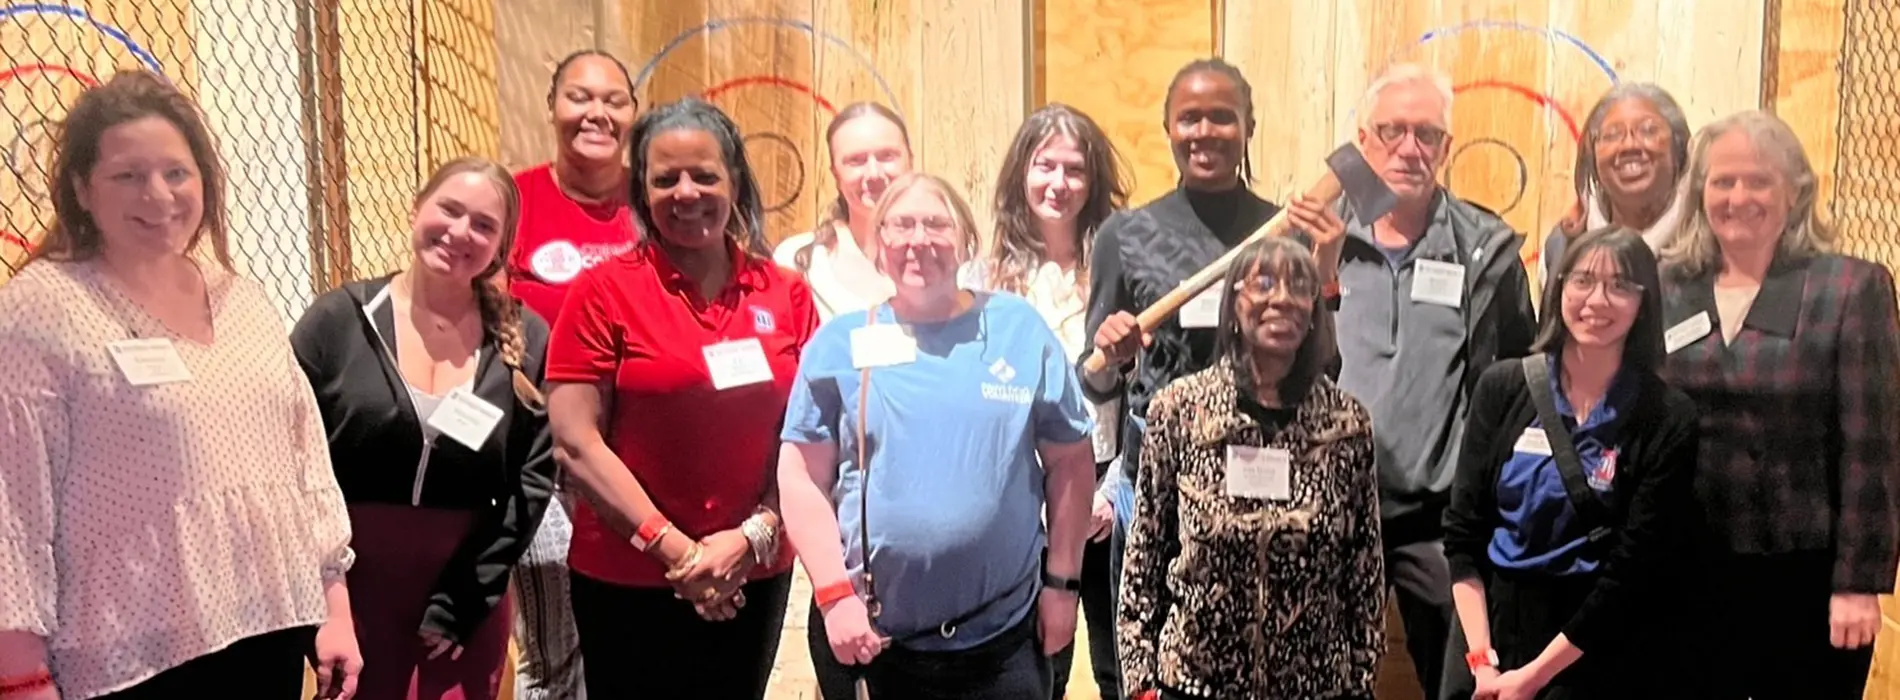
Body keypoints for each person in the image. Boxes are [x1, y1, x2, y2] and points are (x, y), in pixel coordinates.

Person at [0, 70, 359, 699]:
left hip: (266, 630)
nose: (158, 195)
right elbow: (12, 505)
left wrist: (335, 607)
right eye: (127, 176)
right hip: (130, 655)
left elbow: (305, 463)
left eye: (175, 172)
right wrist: (19, 675)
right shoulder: (43, 308)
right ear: (82, 188)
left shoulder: (240, 297)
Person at [778, 173, 1096, 699]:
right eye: (901, 224)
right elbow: (801, 476)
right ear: (879, 245)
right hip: (876, 645)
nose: (917, 239)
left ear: (967, 240)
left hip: (1004, 643)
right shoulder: (840, 344)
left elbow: (1072, 462)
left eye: (936, 223)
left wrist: (1063, 587)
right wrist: (835, 597)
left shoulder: (1018, 330)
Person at [543, 97, 813, 699]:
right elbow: (575, 442)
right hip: (630, 579)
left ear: (735, 182)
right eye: (665, 179)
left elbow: (810, 436)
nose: (685, 193)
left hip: (753, 573)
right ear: (641, 190)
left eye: (704, 175)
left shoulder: (786, 293)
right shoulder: (602, 292)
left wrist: (754, 536)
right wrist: (680, 554)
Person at [1294, 62, 1538, 700]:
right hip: (1330, 511)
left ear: (1447, 148)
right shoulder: (1313, 237)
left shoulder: (1483, 248)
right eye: (1392, 130)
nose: (1409, 148)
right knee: (1319, 680)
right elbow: (1280, 367)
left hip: (1439, 518)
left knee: (1459, 682)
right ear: (1362, 141)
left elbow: (1519, 380)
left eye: (1427, 134)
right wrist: (1319, 272)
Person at [291, 157, 558, 700]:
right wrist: (322, 594)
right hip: (350, 586)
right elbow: (288, 455)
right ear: (417, 209)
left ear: (501, 246)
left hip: (462, 596)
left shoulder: (526, 337)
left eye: (483, 225)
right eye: (449, 209)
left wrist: (468, 595)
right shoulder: (338, 321)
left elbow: (532, 481)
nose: (461, 232)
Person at [1656, 110, 1900, 699]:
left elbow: (1874, 447)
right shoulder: (1669, 285)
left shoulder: (1847, 288)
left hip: (1804, 580)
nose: (1739, 197)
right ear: (1699, 193)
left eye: (1758, 181)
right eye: (1723, 181)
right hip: (1682, 573)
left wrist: (1858, 583)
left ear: (1795, 192)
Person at [1118, 235, 1384, 700]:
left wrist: (1360, 682)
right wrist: (1141, 682)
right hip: (1194, 685)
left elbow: (1365, 575)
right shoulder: (1180, 412)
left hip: (1314, 689)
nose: (1281, 298)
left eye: (1298, 285)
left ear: (1313, 310)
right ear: (1233, 303)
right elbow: (1143, 558)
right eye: (1262, 283)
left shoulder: (1346, 424)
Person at [1443, 227, 1699, 699]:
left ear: (1645, 302)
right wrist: (1481, 661)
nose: (1597, 300)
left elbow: (1632, 570)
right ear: (1559, 287)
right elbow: (1463, 535)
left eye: (1620, 285)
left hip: (1591, 644)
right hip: (1488, 635)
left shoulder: (1667, 417)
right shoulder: (1503, 388)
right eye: (1582, 280)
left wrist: (1533, 677)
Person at [1080, 58, 1281, 636]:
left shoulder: (1278, 230)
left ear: (1248, 126)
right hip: (1157, 482)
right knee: (1148, 645)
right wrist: (1109, 358)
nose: (1205, 132)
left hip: (1258, 473)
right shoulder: (1127, 234)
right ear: (1168, 127)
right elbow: (1093, 379)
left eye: (1223, 117)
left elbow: (1321, 364)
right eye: (1189, 118)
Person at [961, 103, 1131, 700]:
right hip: (1021, 503)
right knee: (1039, 671)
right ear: (1021, 174)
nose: (1058, 183)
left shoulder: (1121, 267)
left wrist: (1112, 494)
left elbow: (1146, 396)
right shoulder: (982, 279)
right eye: (1044, 166)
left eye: (1075, 169)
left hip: (1110, 497)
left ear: (1094, 180)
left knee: (1121, 670)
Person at [505, 48, 638, 700]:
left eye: (615, 100)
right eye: (580, 97)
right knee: (556, 646)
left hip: (643, 457)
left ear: (634, 115)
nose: (597, 113)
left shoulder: (657, 201)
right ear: (552, 106)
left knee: (633, 637)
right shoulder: (514, 201)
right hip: (546, 458)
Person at [1540, 83, 1692, 289]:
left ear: (1679, 146)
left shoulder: (1708, 245)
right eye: (1612, 135)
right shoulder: (1562, 247)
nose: (1630, 145)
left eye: (1648, 131)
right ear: (1592, 154)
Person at [772, 102, 909, 319]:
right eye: (856, 161)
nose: (874, 173)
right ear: (835, 174)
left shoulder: (953, 257)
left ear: (910, 162)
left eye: (887, 156)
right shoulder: (797, 263)